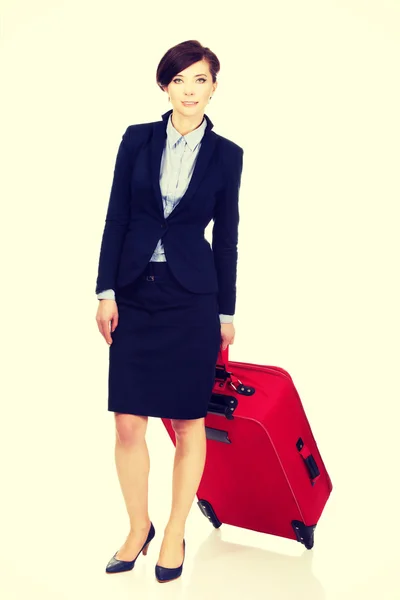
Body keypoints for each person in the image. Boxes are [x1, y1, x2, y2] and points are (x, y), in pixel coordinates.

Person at [95, 39, 244, 583]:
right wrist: (105, 291)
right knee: (129, 422)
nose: (189, 90)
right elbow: (116, 216)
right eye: (179, 80)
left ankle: (177, 529)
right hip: (134, 291)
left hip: (191, 300)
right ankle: (140, 527)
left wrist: (225, 311)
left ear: (213, 86)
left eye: (200, 80)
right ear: (165, 86)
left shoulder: (227, 155)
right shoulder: (137, 140)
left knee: (188, 421)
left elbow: (225, 237)